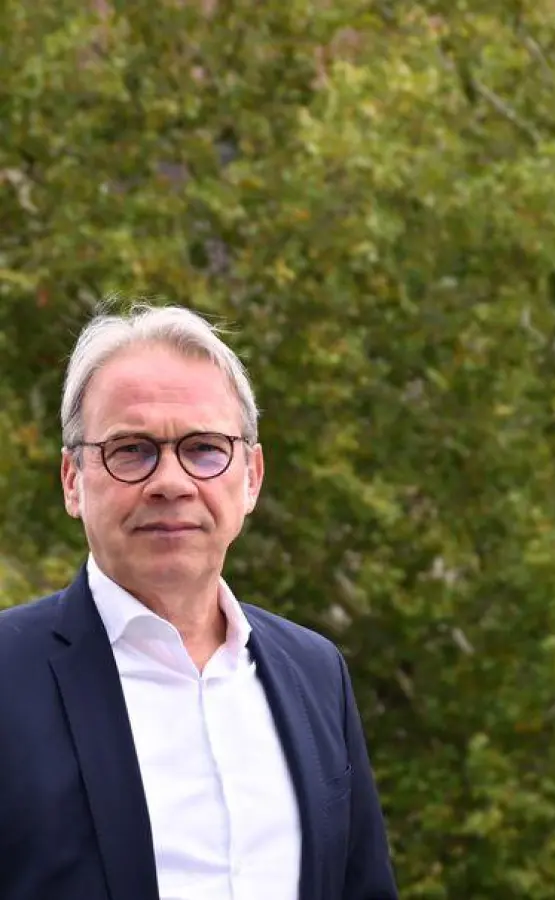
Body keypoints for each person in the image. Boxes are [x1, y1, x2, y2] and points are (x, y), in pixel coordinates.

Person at [0, 305, 398, 899]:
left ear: (252, 477)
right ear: (72, 480)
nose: (171, 482)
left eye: (204, 448)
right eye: (131, 450)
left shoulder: (315, 672)